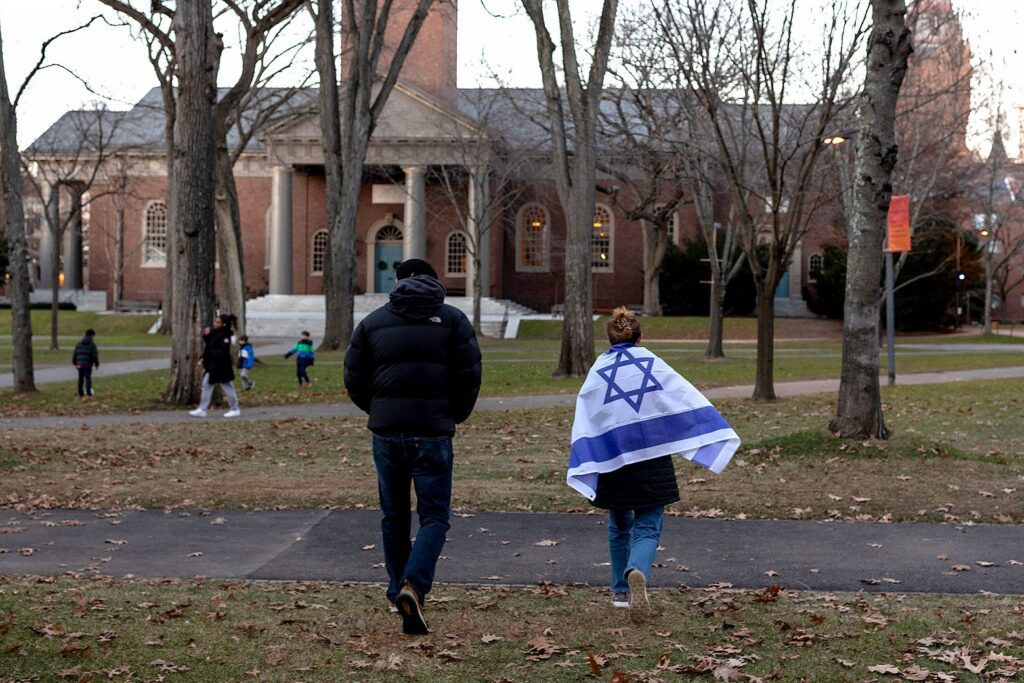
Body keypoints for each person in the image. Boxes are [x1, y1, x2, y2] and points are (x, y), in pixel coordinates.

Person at [567, 307, 740, 623]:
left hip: (612, 460)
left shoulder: (597, 371)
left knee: (618, 525)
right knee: (648, 525)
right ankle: (638, 571)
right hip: (652, 460)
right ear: (639, 336)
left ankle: (620, 590)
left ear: (609, 338)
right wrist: (708, 428)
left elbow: (587, 418)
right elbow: (682, 398)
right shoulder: (652, 365)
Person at [344, 258, 481, 635]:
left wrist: (378, 410)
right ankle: (414, 586)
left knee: (394, 514)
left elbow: (354, 378)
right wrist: (454, 415)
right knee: (434, 516)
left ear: (398, 282)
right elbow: (470, 374)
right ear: (434, 281)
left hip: (387, 434)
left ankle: (397, 588)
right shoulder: (453, 320)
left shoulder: (372, 323)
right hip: (433, 433)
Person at [189, 314, 241, 418]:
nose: (215, 324)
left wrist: (211, 353)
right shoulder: (215, 332)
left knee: (227, 387)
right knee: (206, 386)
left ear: (223, 324)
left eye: (218, 322)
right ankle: (202, 409)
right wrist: (206, 335)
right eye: (215, 321)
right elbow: (211, 342)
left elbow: (223, 351)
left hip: (222, 367)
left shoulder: (226, 335)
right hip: (213, 366)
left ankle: (235, 408)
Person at [72, 329, 100, 399]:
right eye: (94, 336)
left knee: (80, 378)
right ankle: (88, 393)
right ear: (92, 336)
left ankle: (80, 393)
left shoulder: (78, 344)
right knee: (88, 378)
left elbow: (75, 354)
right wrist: (96, 364)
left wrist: (75, 363)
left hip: (79, 364)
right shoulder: (92, 345)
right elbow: (94, 356)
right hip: (87, 364)